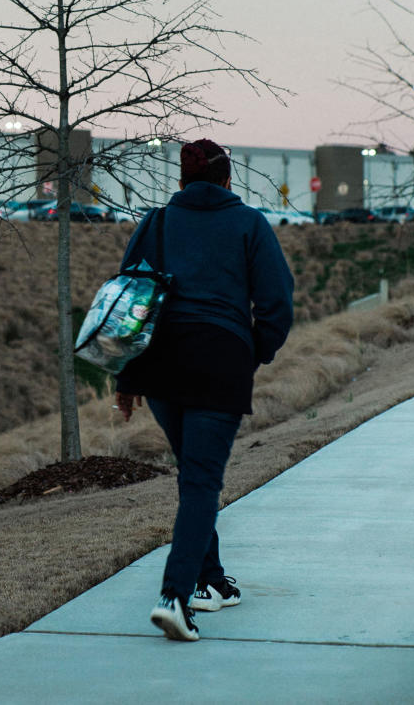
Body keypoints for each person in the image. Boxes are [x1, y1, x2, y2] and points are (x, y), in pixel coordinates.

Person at [115, 138, 294, 642]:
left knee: (194, 479)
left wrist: (127, 379)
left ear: (180, 181)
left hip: (161, 369)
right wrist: (251, 351)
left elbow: (129, 299)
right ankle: (175, 596)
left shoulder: (157, 223)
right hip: (219, 365)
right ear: (227, 179)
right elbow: (277, 303)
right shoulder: (249, 225)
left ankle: (211, 582)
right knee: (200, 483)